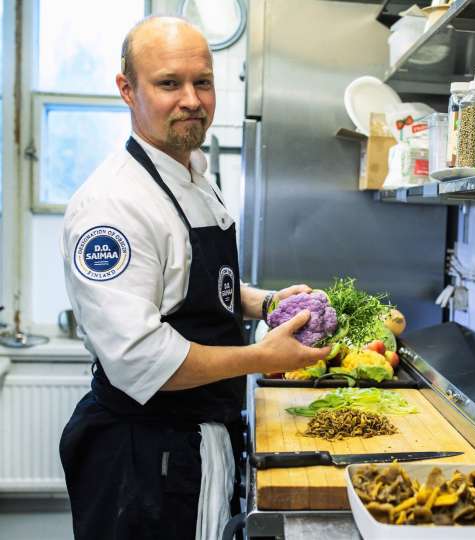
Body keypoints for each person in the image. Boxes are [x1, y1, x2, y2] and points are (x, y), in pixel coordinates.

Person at [59, 15, 330, 540]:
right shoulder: (112, 206)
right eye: (168, 84)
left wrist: (264, 304)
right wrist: (262, 358)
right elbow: (143, 358)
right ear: (127, 90)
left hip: (199, 435)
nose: (191, 100)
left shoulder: (191, 172)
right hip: (146, 459)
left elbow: (195, 284)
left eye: (202, 82)